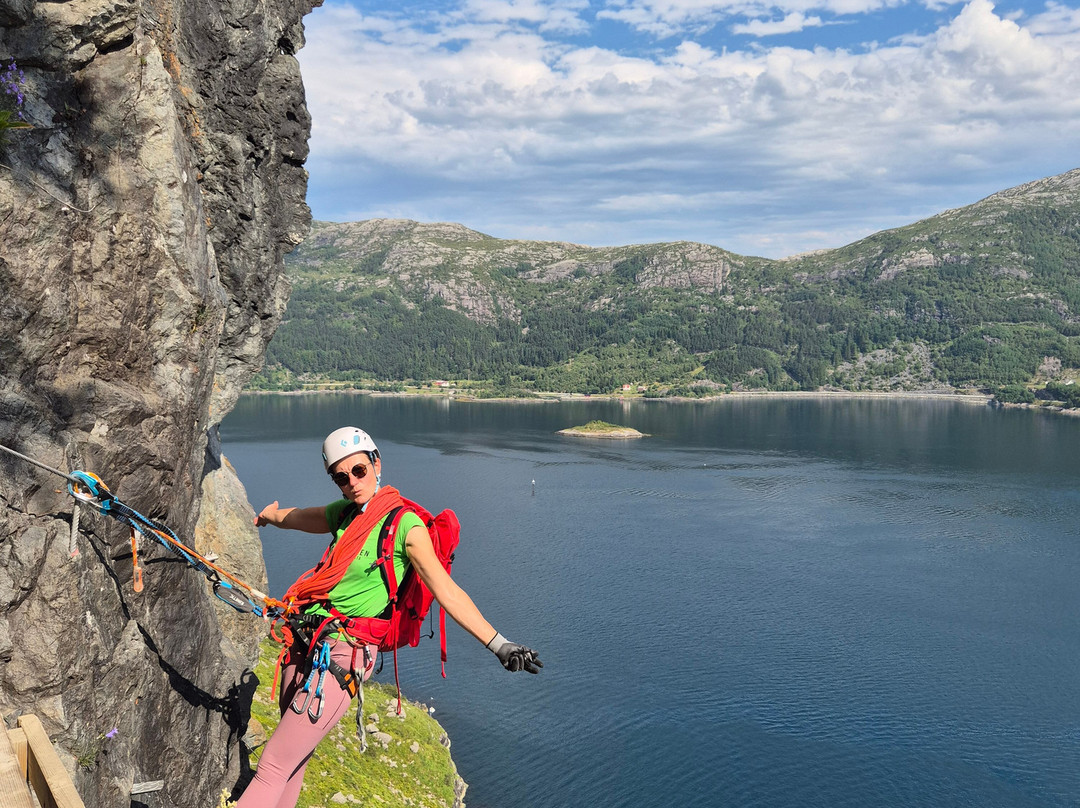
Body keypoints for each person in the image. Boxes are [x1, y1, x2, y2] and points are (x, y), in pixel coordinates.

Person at [236, 426, 542, 808]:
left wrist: (499, 644)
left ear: (376, 464)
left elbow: (446, 590)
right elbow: (298, 517)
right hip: (309, 639)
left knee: (272, 765)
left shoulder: (405, 527)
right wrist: (269, 515)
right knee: (291, 761)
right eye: (341, 477)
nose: (352, 482)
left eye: (359, 470)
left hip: (344, 653)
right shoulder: (344, 514)